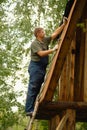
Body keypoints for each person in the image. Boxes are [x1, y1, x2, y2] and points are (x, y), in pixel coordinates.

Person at [25, 17, 67, 116]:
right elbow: (41, 54)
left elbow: (54, 34)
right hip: (35, 67)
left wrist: (64, 25)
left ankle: (33, 107)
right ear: (38, 34)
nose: (44, 32)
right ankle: (29, 110)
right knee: (33, 87)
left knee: (38, 87)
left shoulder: (44, 40)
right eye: (42, 31)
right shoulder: (35, 43)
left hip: (41, 68)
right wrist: (53, 50)